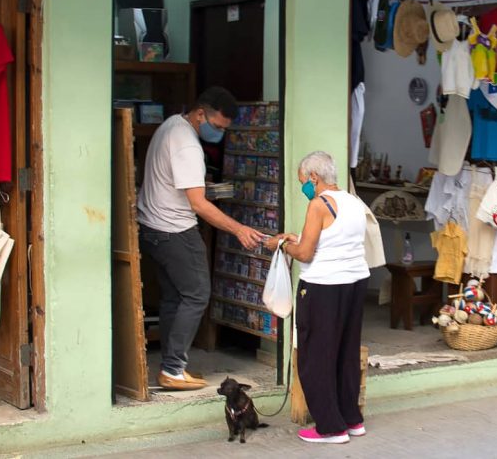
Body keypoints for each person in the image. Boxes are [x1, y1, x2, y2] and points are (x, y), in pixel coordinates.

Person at [137, 86, 265, 391]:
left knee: (173, 297)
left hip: (152, 227)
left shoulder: (170, 126)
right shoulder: (188, 145)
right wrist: (239, 229)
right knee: (196, 295)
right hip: (175, 230)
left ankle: (171, 364)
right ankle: (173, 369)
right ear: (199, 113)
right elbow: (197, 203)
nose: (218, 133)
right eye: (217, 126)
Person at [264, 151, 370, 444]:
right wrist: (295, 240)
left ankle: (330, 427)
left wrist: (283, 244)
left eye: (304, 182)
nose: (304, 188)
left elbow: (306, 253)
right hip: (355, 282)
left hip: (323, 287)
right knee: (345, 351)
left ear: (314, 177)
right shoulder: (353, 201)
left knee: (316, 356)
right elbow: (332, 240)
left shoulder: (318, 204)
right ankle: (351, 419)